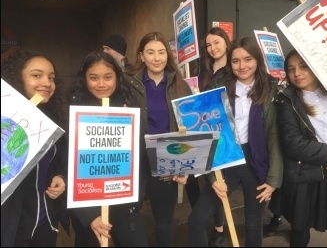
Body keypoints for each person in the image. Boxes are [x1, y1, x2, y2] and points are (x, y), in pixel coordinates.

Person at [188, 36, 283, 247]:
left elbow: (274, 135)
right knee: (196, 220)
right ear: (229, 62)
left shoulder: (271, 89)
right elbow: (207, 130)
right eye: (236, 60)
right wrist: (212, 177)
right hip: (225, 158)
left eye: (248, 59)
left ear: (257, 59)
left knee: (253, 225)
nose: (242, 66)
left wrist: (273, 179)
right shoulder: (217, 87)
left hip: (257, 161)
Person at [68, 51, 149, 247]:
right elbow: (67, 165)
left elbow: (140, 155)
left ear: (117, 78)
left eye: (108, 77)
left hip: (125, 205)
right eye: (93, 78)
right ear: (84, 79)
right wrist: (89, 215)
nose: (101, 84)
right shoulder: (73, 110)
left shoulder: (129, 107)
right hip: (89, 209)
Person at [275, 49, 327, 247]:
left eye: (303, 66)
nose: (297, 73)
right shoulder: (287, 100)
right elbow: (294, 145)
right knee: (300, 232)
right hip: (302, 176)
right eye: (291, 69)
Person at [124, 31, 191, 247]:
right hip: (135, 160)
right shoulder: (127, 84)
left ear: (168, 55)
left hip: (167, 157)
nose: (156, 58)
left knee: (164, 219)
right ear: (141, 56)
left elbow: (189, 127)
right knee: (129, 215)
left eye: (161, 52)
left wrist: (185, 165)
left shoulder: (180, 84)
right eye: (150, 52)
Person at [1, 49, 70, 247]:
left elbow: (59, 161)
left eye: (51, 77)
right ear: (18, 77)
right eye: (36, 75)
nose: (47, 83)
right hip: (10, 226)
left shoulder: (54, 119)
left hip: (45, 222)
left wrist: (60, 177)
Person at [192, 26, 233, 247]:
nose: (213, 48)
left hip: (226, 132)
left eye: (216, 42)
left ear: (226, 42)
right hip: (204, 129)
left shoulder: (234, 68)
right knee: (210, 180)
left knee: (220, 182)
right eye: (208, 45)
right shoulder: (203, 70)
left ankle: (219, 229)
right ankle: (214, 226)